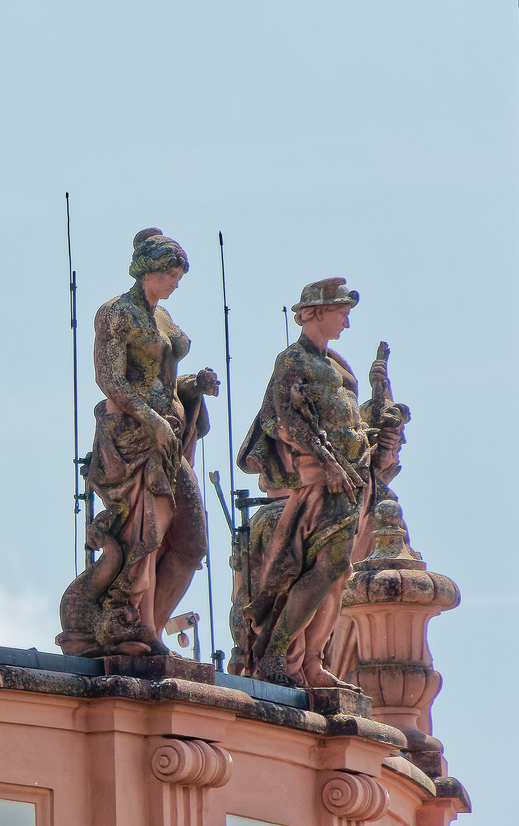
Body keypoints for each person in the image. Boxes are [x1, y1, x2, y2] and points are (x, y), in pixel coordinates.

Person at [58, 228, 217, 658]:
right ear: (149, 269)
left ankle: (153, 624)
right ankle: (132, 624)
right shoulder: (116, 312)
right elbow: (109, 378)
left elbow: (162, 377)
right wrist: (149, 418)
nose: (175, 284)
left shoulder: (162, 318)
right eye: (170, 275)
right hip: (132, 441)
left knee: (190, 544)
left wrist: (192, 385)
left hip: (166, 439)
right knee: (145, 535)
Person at [234, 277, 399, 687]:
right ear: (316, 313)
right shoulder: (293, 360)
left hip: (353, 480)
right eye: (342, 311)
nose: (346, 320)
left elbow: (350, 422)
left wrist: (378, 424)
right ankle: (277, 654)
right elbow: (285, 421)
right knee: (326, 567)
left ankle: (309, 662)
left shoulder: (338, 364)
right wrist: (327, 462)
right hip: (325, 481)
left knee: (337, 575)